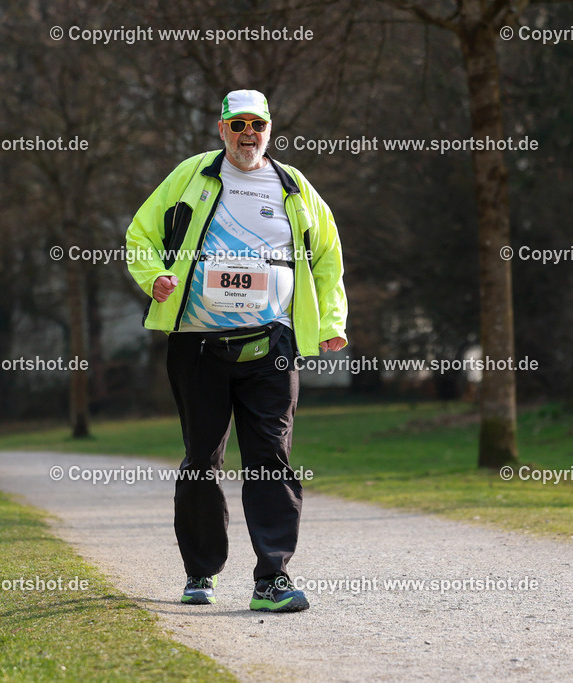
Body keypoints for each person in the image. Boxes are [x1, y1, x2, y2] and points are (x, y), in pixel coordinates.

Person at [126, 89, 348, 612]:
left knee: (271, 458)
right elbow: (140, 233)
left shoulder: (294, 188)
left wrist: (332, 322)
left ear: (269, 130)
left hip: (272, 345)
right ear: (221, 128)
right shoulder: (192, 175)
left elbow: (328, 258)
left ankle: (272, 577)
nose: (249, 134)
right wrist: (155, 276)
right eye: (238, 124)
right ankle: (201, 572)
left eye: (258, 125)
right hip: (197, 347)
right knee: (203, 458)